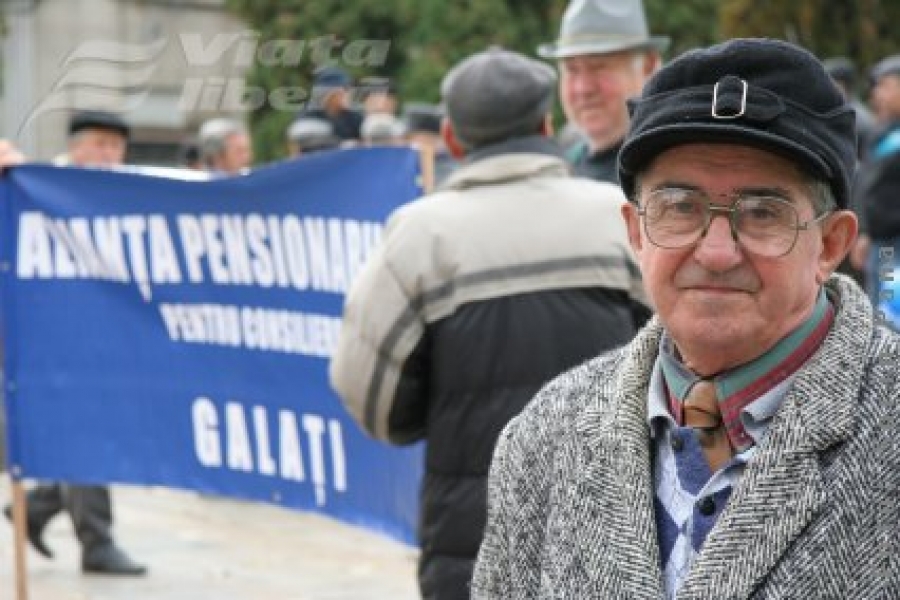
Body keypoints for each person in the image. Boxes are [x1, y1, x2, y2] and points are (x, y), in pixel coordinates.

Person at [473, 38, 900, 599]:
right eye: (679, 206)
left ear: (830, 243)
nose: (716, 251)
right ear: (635, 232)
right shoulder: (546, 434)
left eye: (762, 212)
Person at [330, 47, 650, 600]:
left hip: (469, 538)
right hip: (613, 524)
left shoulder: (418, 237)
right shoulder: (617, 217)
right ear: (547, 125)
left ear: (452, 138)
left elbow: (370, 400)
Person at [2, 111, 147, 576]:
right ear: (76, 146)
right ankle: (95, 539)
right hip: (42, 340)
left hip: (98, 338)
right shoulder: (34, 189)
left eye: (116, 146)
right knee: (83, 432)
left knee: (90, 430)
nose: (110, 155)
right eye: (100, 145)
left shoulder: (121, 195)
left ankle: (44, 507)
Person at [538, 0, 667, 182]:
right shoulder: (565, 162)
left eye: (599, 67)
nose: (583, 88)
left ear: (648, 65)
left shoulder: (665, 168)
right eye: (571, 70)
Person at [851, 55, 900, 309]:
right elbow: (870, 186)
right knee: (881, 309)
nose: (876, 95)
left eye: (885, 86)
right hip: (881, 243)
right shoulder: (884, 132)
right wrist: (865, 231)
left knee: (890, 314)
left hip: (894, 243)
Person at [302, 66, 364, 142]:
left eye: (349, 89)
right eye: (345, 89)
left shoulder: (354, 115)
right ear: (329, 94)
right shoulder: (309, 115)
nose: (349, 93)